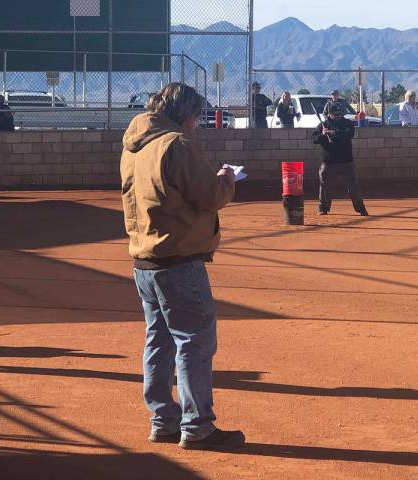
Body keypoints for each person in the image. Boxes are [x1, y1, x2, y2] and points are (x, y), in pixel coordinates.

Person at [120, 82, 244, 451]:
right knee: (194, 342)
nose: (196, 124)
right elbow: (208, 195)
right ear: (186, 113)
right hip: (179, 259)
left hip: (146, 259)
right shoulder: (177, 144)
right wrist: (227, 180)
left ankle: (163, 419)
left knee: (158, 341)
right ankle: (198, 426)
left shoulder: (134, 144)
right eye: (196, 117)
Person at [312, 101, 369, 216]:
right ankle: (323, 208)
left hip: (346, 161)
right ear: (330, 114)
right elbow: (314, 139)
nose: (338, 116)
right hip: (329, 162)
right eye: (335, 114)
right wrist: (323, 134)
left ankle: (360, 208)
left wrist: (333, 132)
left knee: (353, 185)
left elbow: (348, 134)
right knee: (325, 185)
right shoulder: (324, 124)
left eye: (339, 114)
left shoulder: (347, 123)